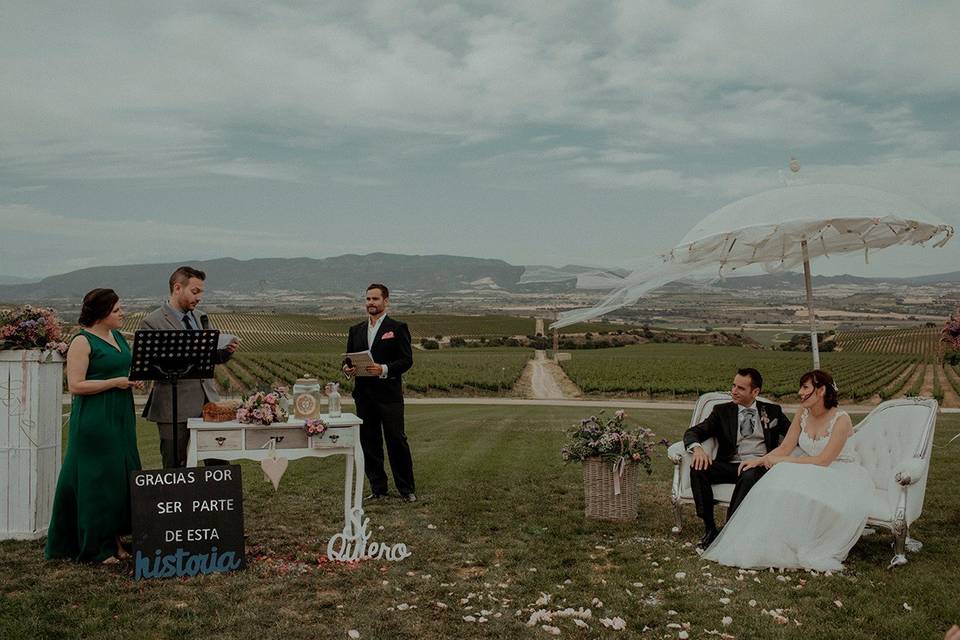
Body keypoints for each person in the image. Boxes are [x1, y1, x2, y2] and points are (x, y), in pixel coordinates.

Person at [703, 369, 874, 571]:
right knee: (778, 480)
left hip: (837, 472)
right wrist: (760, 461)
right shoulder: (803, 412)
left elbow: (823, 461)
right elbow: (786, 447)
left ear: (820, 391)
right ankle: (766, 539)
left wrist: (784, 461)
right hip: (808, 466)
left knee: (786, 474)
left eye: (805, 387)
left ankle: (801, 542)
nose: (800, 392)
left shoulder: (841, 419)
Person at [45, 289, 143, 564]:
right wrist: (116, 382)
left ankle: (115, 539)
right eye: (116, 310)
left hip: (120, 416)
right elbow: (76, 385)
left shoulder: (117, 337)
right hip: (95, 419)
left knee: (119, 477)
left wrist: (132, 380)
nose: (122, 313)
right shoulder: (81, 341)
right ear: (101, 314)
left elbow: (121, 370)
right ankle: (95, 546)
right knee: (97, 480)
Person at [141, 266, 238, 468]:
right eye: (195, 292)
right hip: (173, 405)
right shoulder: (152, 322)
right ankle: (174, 499)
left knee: (218, 461)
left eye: (201, 292)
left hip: (208, 402)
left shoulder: (201, 317)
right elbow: (152, 366)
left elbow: (209, 358)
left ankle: (216, 499)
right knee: (175, 463)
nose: (199, 297)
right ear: (177, 288)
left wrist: (226, 351)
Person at [683, 368, 791, 549]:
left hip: (759, 466)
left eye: (741, 388)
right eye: (733, 385)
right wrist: (698, 449)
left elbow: (792, 437)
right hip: (730, 465)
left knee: (749, 474)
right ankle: (710, 528)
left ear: (755, 392)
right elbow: (694, 432)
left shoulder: (773, 411)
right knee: (698, 468)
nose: (734, 391)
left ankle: (729, 530)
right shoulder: (721, 411)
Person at [343, 283, 416, 502]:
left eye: (375, 299)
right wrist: (347, 369)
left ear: (386, 301)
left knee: (396, 441)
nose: (371, 303)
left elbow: (406, 360)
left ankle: (406, 489)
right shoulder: (355, 330)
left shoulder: (397, 327)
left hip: (389, 397)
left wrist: (383, 369)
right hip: (364, 397)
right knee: (369, 443)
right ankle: (378, 488)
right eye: (368, 299)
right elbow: (348, 360)